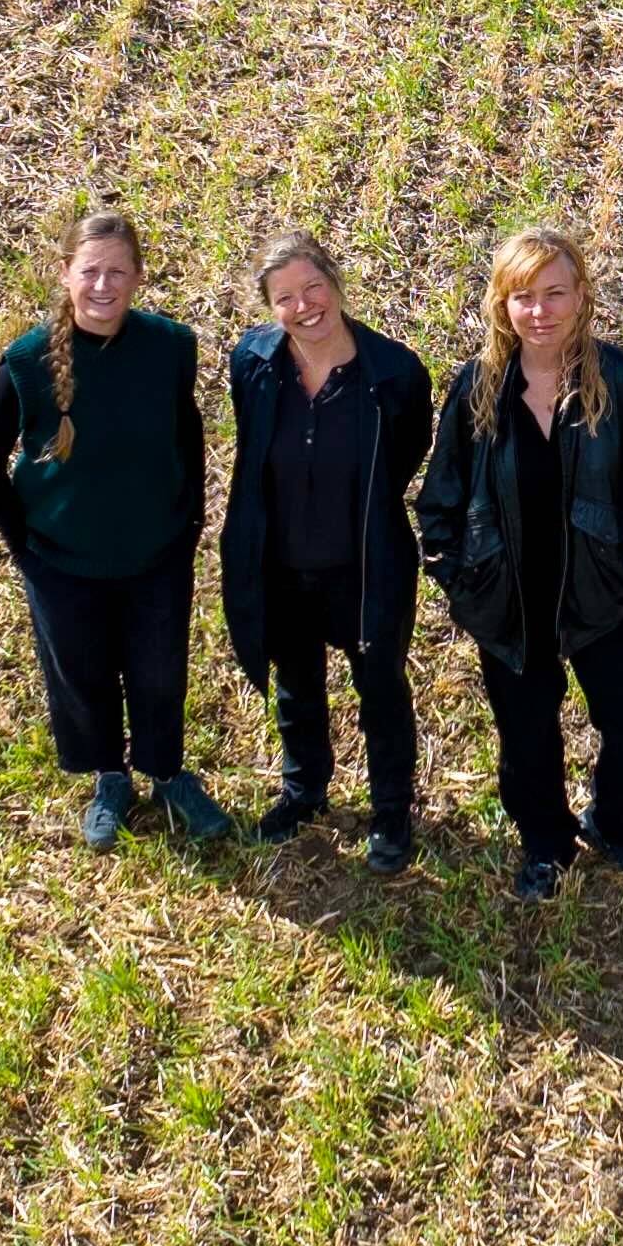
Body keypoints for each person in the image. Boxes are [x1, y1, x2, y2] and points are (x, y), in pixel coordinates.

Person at [414, 223, 623, 902]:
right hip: (510, 603)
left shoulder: (620, 382)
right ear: (502, 303)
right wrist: (461, 579)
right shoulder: (477, 387)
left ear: (582, 296)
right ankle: (546, 843)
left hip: (598, 596)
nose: (540, 311)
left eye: (555, 293)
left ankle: (615, 820)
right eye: (523, 296)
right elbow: (438, 499)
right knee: (526, 741)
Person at [0, 210, 236, 851]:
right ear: (66, 275)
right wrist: (28, 553)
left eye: (118, 271)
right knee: (83, 674)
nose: (103, 285)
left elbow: (187, 430)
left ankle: (168, 776)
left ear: (139, 277)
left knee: (158, 671)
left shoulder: (171, 345)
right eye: (90, 271)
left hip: (156, 552)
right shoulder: (30, 361)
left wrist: (191, 520)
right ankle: (109, 779)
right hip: (63, 562)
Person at [218, 230, 434, 875]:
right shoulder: (252, 364)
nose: (303, 305)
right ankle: (304, 791)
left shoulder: (394, 373)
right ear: (269, 306)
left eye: (313, 287)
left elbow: (404, 457)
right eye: (284, 297)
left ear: (336, 283)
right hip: (281, 566)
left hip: (365, 568)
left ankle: (391, 809)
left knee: (382, 688)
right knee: (296, 684)